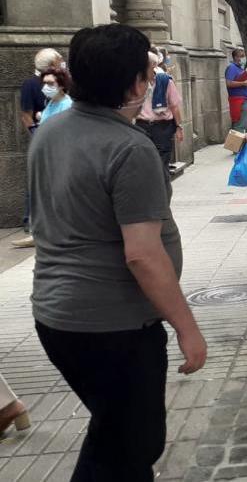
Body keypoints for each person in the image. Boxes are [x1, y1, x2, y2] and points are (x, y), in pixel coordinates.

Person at [30, 23, 206, 480]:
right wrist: (187, 328)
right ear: (134, 84)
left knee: (115, 435)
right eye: (148, 74)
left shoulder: (51, 131)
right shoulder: (130, 149)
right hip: (114, 326)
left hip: (57, 317)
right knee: (129, 447)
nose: (151, 81)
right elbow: (143, 255)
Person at [14, 48, 63, 248]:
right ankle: (30, 221)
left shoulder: (61, 92)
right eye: (59, 60)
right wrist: (36, 136)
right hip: (41, 139)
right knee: (36, 181)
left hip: (57, 141)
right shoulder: (31, 85)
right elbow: (26, 115)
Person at [137, 52, 185, 173]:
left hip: (162, 126)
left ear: (154, 65)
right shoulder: (136, 82)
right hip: (142, 125)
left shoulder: (165, 81)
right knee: (144, 159)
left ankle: (162, 186)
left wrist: (179, 127)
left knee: (162, 160)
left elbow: (174, 106)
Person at [225, 48, 247, 132]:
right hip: (239, 101)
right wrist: (243, 83)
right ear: (236, 57)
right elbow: (229, 83)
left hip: (245, 100)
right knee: (239, 127)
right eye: (241, 56)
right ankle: (236, 145)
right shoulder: (232, 67)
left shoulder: (241, 69)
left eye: (244, 56)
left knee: (245, 126)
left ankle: (242, 145)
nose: (243, 58)